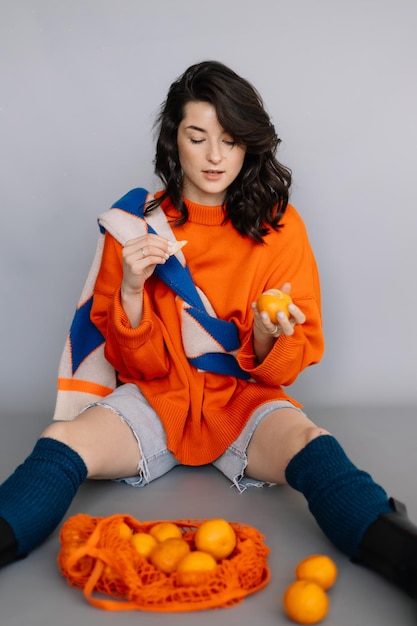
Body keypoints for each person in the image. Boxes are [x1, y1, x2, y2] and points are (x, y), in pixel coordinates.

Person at [0, 60, 416, 597]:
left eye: (230, 139)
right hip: (156, 398)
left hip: (243, 402)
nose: (216, 156)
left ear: (249, 144)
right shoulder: (135, 227)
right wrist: (130, 288)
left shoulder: (281, 227)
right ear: (175, 142)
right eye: (198, 137)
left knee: (315, 445)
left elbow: (286, 365)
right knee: (61, 441)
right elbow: (136, 367)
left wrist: (269, 333)